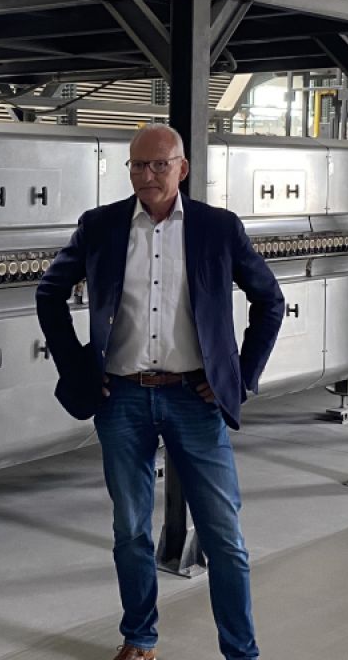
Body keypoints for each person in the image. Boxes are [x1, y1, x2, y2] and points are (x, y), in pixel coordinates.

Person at [35, 125, 285, 660]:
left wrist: (239, 377)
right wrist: (79, 368)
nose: (146, 175)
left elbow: (270, 300)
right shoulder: (100, 225)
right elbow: (49, 292)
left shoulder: (218, 228)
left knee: (223, 535)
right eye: (137, 165)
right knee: (130, 530)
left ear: (182, 168)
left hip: (195, 398)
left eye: (158, 165)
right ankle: (140, 638)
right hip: (121, 399)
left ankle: (241, 652)